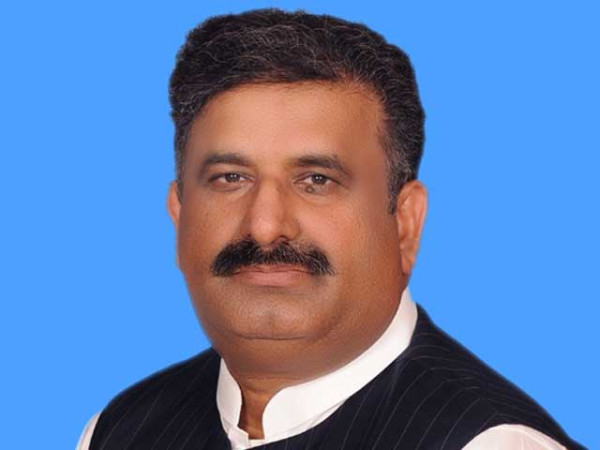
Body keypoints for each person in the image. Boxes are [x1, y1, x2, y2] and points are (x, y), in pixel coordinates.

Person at [77, 8, 585, 450]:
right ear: (180, 215)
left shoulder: (486, 442)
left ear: (405, 224)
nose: (265, 225)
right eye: (231, 178)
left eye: (316, 180)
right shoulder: (118, 430)